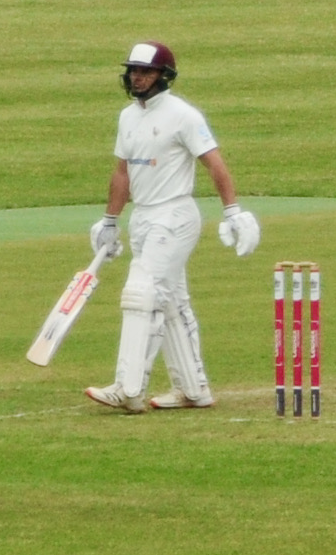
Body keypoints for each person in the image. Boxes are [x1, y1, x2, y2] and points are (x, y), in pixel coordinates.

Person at [84, 43, 260, 413]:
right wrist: (110, 221)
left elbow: (214, 163)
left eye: (145, 72)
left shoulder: (183, 115)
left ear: (164, 76)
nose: (137, 77)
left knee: (142, 293)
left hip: (176, 215)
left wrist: (233, 212)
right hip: (144, 217)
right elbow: (122, 173)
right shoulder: (127, 117)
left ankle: (128, 388)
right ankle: (194, 390)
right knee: (173, 303)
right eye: (133, 70)